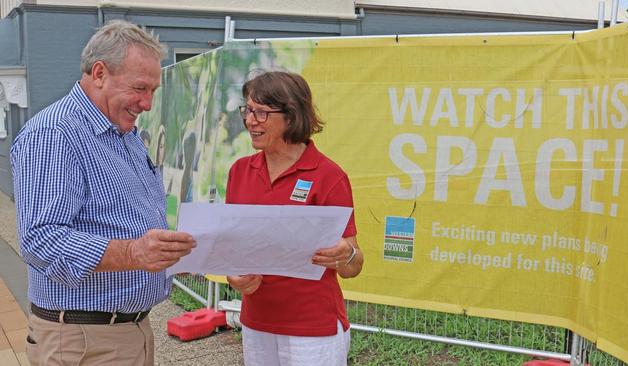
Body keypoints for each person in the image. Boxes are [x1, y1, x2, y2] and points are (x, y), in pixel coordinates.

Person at [10, 20, 196, 366]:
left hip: (124, 333)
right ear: (99, 74)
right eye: (140, 88)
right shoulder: (56, 134)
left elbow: (122, 220)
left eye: (153, 91)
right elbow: (41, 239)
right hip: (84, 342)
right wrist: (135, 253)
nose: (148, 103)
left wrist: (172, 255)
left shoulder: (122, 133)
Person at [226, 71, 364, 366]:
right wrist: (234, 277)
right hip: (257, 324)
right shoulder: (239, 171)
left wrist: (346, 254)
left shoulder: (329, 177)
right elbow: (233, 249)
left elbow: (353, 266)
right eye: (248, 110)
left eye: (261, 112)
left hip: (313, 329)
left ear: (291, 115)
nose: (250, 120)